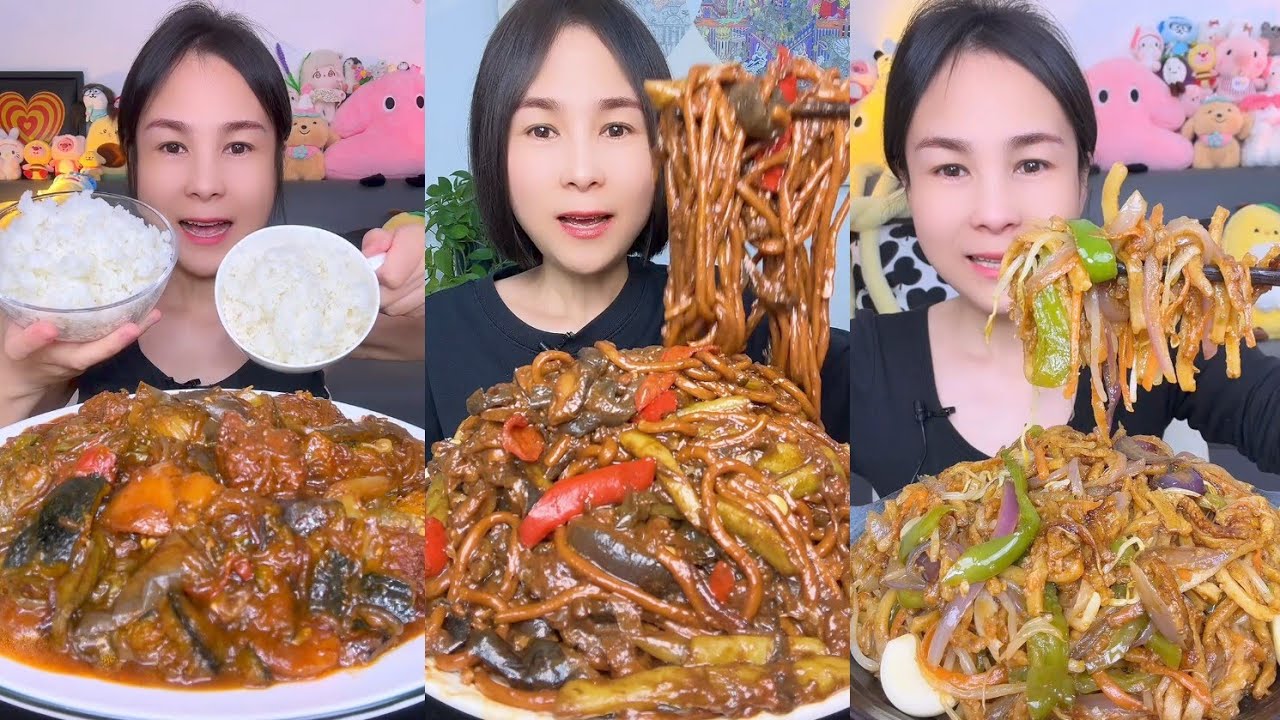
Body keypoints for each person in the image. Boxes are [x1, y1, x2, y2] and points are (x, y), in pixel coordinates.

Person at [851, 0, 1280, 497]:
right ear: (906, 183)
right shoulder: (854, 362)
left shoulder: (1156, 335)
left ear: (1082, 177)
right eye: (950, 168)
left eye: (1031, 164)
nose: (995, 212)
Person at [425, 0, 850, 458]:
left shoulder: (747, 327)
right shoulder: (436, 336)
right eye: (542, 130)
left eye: (616, 128)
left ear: (664, 146)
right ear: (494, 147)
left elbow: (875, 386)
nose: (583, 172)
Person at [0, 1, 425, 427]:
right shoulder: (63, 300)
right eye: (172, 146)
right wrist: (16, 383)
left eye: (239, 147)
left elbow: (437, 332)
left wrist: (423, 254)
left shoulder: (324, 291)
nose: (205, 184)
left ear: (278, 158)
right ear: (133, 157)